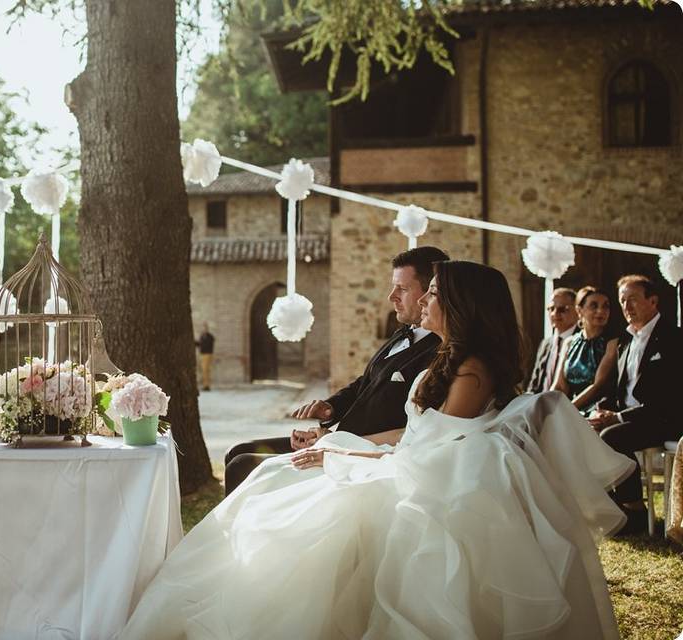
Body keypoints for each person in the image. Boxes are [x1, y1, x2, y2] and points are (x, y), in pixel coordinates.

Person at [119, 261, 632, 640]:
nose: (424, 302)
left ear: (458, 304)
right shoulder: (448, 359)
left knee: (305, 508)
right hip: (410, 458)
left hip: (432, 482)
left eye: (431, 294)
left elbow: (428, 450)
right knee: (276, 478)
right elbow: (416, 433)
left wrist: (342, 456)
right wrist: (338, 446)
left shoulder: (472, 370)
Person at [222, 246, 449, 495]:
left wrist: (332, 443)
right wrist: (331, 408)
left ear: (430, 292)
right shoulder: (403, 333)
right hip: (334, 439)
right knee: (237, 451)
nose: (391, 296)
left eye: (402, 289)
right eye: (393, 286)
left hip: (361, 454)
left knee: (241, 466)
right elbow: (367, 382)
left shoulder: (440, 353)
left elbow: (413, 428)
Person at [589, 274, 683, 534]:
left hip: (664, 419)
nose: (626, 307)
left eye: (633, 300)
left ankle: (634, 510)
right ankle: (606, 506)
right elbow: (617, 391)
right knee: (587, 430)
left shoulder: (674, 338)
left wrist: (617, 418)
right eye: (622, 301)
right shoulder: (626, 341)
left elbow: (670, 398)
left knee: (612, 435)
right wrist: (601, 410)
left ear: (653, 301)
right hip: (629, 417)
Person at [552, 286, 618, 412]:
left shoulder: (612, 342)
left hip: (597, 410)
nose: (601, 311)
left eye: (605, 306)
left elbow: (597, 387)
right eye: (594, 306)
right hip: (568, 408)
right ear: (579, 310)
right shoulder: (569, 342)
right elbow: (559, 386)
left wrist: (567, 410)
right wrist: (549, 409)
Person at [527, 287, 578, 392]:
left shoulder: (581, 341)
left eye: (562, 309)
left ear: (577, 310)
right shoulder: (546, 343)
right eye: (551, 308)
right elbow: (534, 383)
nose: (555, 314)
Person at [196, 323, 215, 391]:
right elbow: (200, 344)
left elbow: (206, 345)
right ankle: (205, 384)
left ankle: (207, 385)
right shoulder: (202, 336)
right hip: (202, 355)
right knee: (203, 370)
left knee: (206, 370)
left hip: (207, 354)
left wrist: (201, 344)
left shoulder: (210, 337)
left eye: (204, 328)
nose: (203, 330)